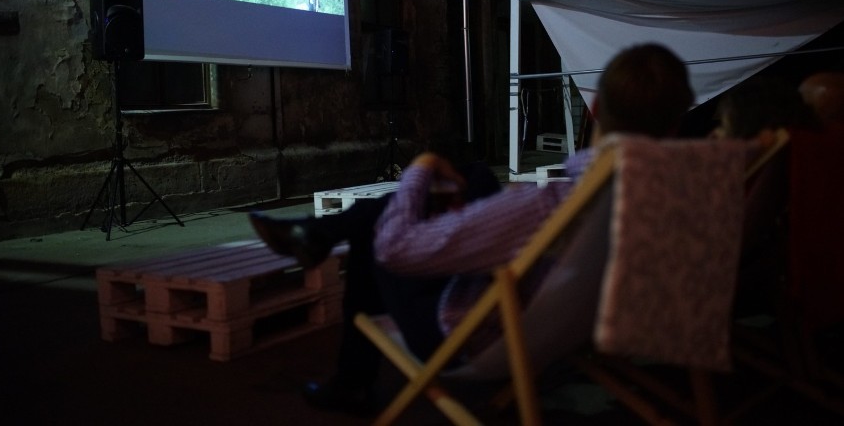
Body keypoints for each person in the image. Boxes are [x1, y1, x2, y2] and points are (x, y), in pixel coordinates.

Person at [249, 43, 694, 415]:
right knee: (477, 176)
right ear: (676, 124)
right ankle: (318, 234)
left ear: (594, 108)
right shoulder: (672, 195)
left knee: (379, 228)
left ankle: (349, 371)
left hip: (478, 336)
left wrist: (418, 172)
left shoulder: (555, 204)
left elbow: (397, 249)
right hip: (574, 321)